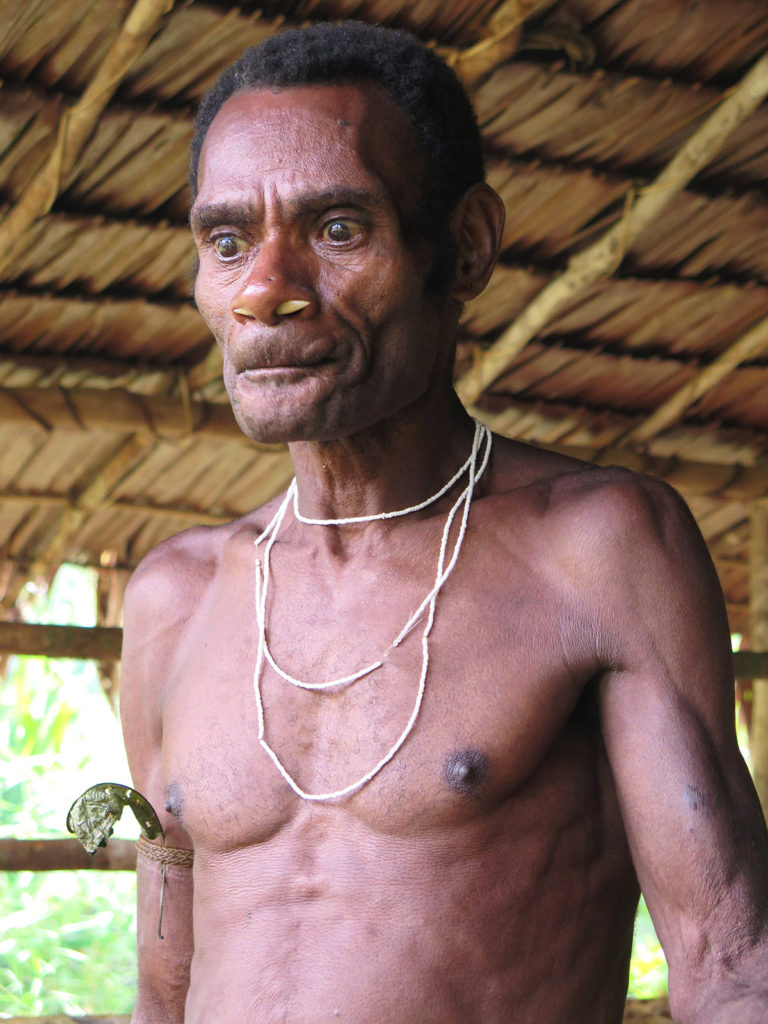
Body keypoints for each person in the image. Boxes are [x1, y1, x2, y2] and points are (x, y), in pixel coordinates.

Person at [120, 21, 768, 1024]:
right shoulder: (175, 600)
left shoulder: (599, 550)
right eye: (229, 240)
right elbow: (165, 990)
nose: (266, 289)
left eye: (338, 230)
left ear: (463, 248)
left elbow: (732, 966)